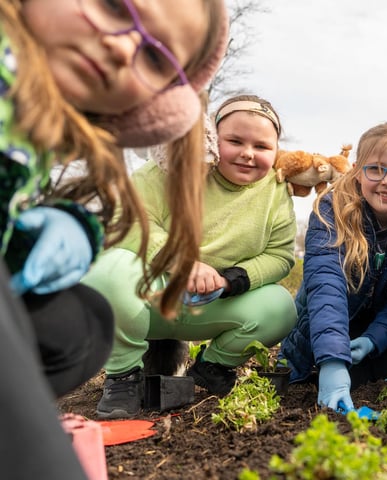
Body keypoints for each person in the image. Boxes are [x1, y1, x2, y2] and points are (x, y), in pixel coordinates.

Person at [1, 0, 227, 399]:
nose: (125, 49)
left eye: (156, 59)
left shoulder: (56, 136)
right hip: (149, 275)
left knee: (83, 326)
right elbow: (139, 226)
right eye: (113, 6)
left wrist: (73, 226)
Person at [83, 95, 298, 419]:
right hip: (154, 296)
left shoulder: (277, 190)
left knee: (281, 307)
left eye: (262, 146)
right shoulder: (170, 168)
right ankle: (124, 376)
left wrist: (232, 278)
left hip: (213, 304)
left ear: (276, 151)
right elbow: (127, 224)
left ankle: (213, 366)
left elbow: (280, 255)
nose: (248, 154)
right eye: (234, 141)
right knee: (105, 274)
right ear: (213, 138)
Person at [279, 122, 387, 413]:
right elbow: (326, 286)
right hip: (331, 318)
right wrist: (333, 362)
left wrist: (374, 340)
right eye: (375, 169)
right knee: (323, 375)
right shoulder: (331, 209)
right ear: (357, 169)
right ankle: (327, 362)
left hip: (382, 325)